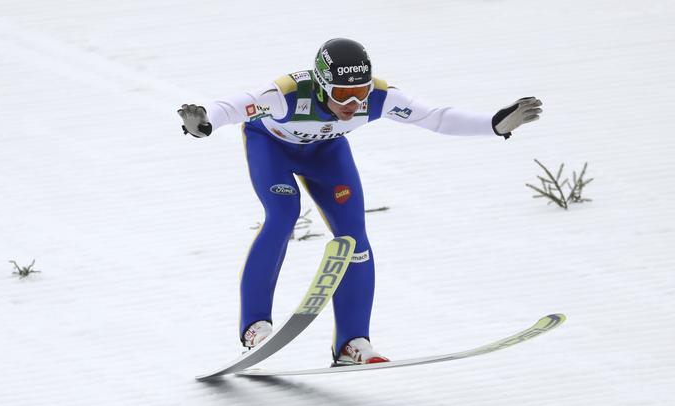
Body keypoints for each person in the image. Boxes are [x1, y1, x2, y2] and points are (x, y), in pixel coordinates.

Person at [177, 38, 542, 366]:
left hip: (326, 152)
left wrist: (494, 124)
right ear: (320, 86)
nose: (353, 104)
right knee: (282, 215)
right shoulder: (286, 93)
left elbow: (435, 117)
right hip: (271, 148)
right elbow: (232, 107)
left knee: (355, 237)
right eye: (341, 96)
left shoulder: (380, 97)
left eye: (361, 94)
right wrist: (204, 121)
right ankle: (255, 327)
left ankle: (353, 342)